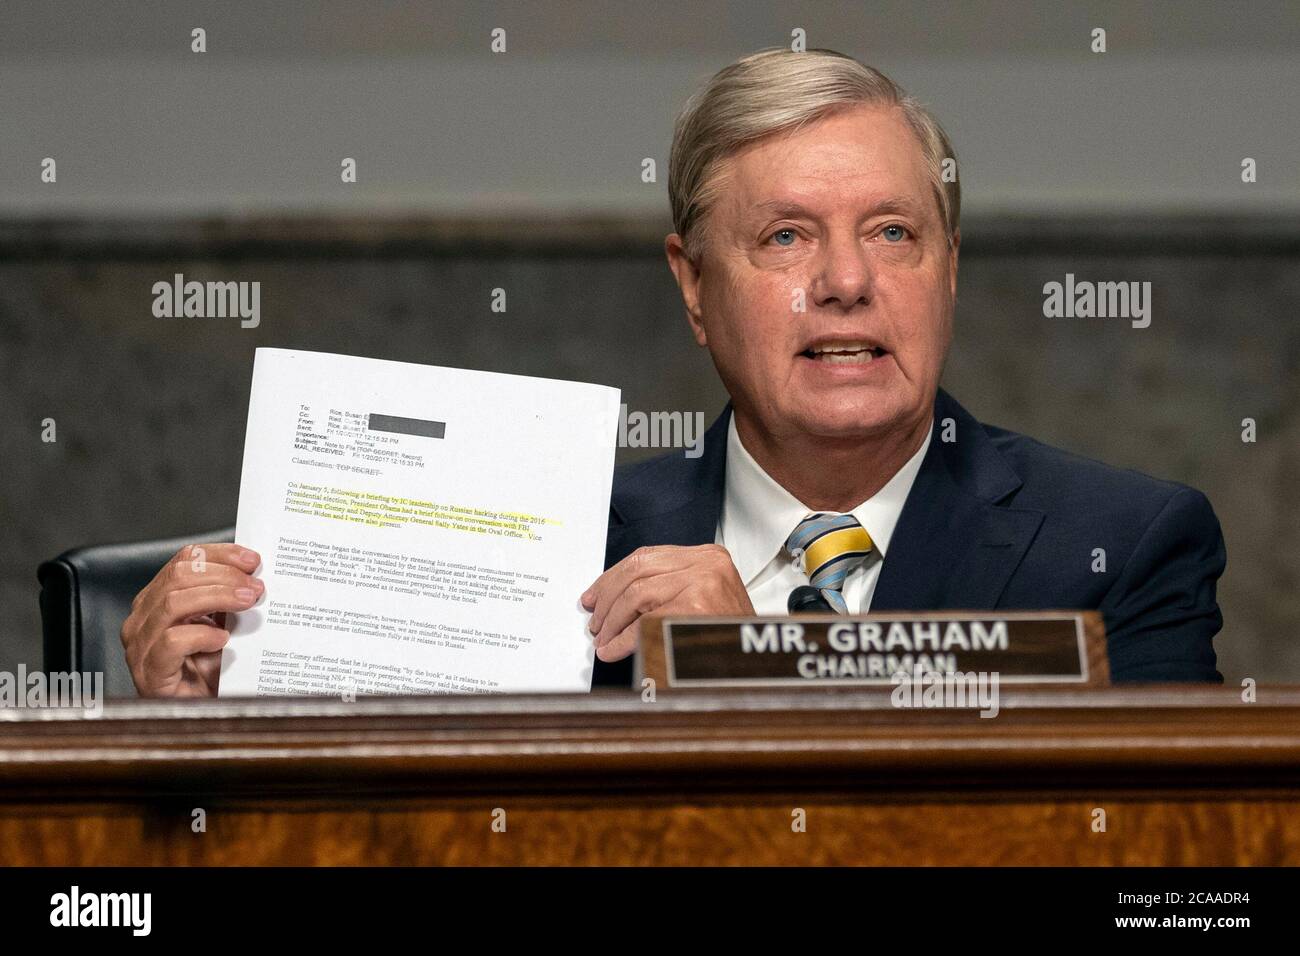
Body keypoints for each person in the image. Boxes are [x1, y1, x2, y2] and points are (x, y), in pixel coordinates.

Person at [121, 48, 1226, 698]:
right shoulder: (545, 548)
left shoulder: (1120, 547)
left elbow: (1163, 893)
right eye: (786, 237)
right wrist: (201, 734)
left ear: (946, 272)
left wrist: (755, 666)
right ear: (693, 284)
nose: (846, 280)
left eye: (892, 232)